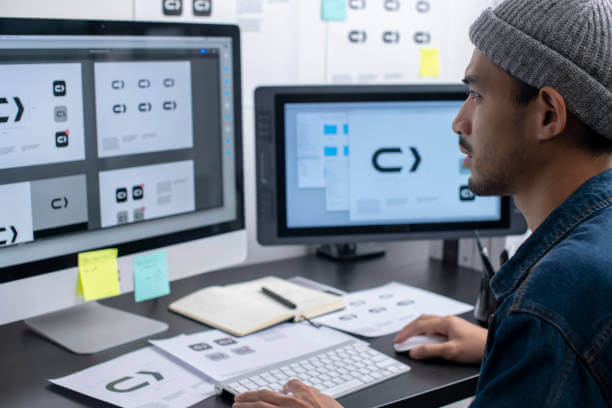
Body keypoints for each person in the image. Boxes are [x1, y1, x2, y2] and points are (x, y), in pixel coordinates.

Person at [233, 0, 612, 406]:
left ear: (548, 116)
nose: (459, 121)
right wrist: (506, 348)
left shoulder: (553, 301)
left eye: (477, 95)